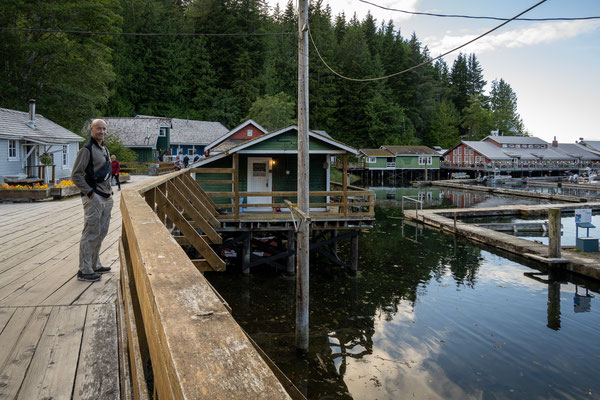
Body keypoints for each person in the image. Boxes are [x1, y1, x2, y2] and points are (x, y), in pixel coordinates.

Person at [71, 119, 113, 282]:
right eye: (98, 129)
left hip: (106, 196)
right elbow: (76, 175)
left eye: (104, 129)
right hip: (94, 197)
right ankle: (84, 269)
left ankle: (95, 264)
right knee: (91, 232)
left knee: (101, 232)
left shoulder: (104, 149)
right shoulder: (86, 150)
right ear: (91, 129)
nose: (101, 131)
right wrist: (90, 193)